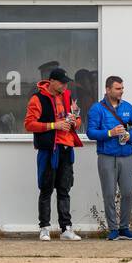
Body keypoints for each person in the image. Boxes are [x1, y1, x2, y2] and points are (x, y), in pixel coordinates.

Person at [24, 67, 84, 241]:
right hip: (49, 149)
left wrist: (74, 120)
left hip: (66, 148)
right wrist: (53, 125)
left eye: (66, 82)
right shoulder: (38, 98)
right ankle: (44, 227)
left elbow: (77, 120)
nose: (65, 85)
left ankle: (66, 228)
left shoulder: (67, 96)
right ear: (51, 81)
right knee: (46, 189)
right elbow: (29, 124)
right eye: (62, 82)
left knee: (65, 189)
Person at [86, 75, 132, 241]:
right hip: (106, 156)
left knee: (127, 193)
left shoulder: (127, 107)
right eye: (118, 88)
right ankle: (113, 229)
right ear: (108, 89)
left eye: (122, 88)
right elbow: (91, 132)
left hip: (127, 155)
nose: (121, 91)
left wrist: (130, 135)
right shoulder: (97, 109)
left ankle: (124, 227)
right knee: (109, 194)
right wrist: (110, 133)